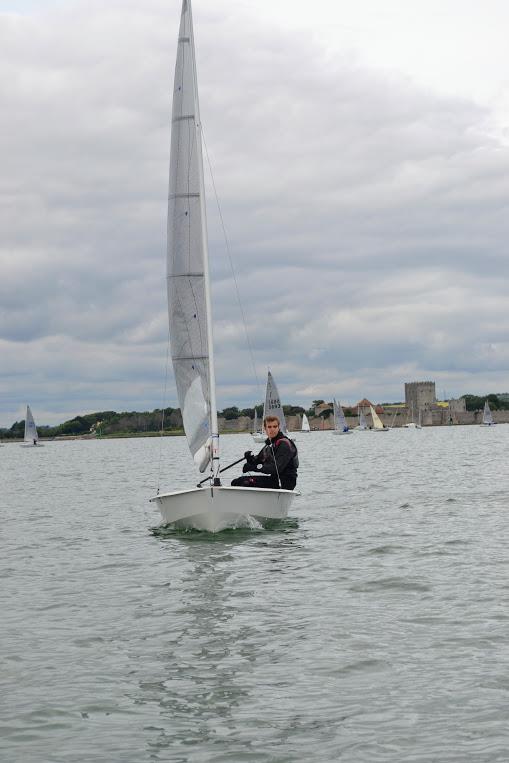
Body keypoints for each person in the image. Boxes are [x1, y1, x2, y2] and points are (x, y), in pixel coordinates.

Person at [231, 415, 298, 490]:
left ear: (278, 428)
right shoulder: (270, 445)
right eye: (269, 427)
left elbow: (275, 468)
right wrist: (250, 459)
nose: (272, 429)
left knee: (244, 482)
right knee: (236, 482)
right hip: (274, 481)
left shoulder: (284, 444)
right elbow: (258, 461)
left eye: (275, 426)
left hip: (285, 484)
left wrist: (253, 468)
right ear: (265, 429)